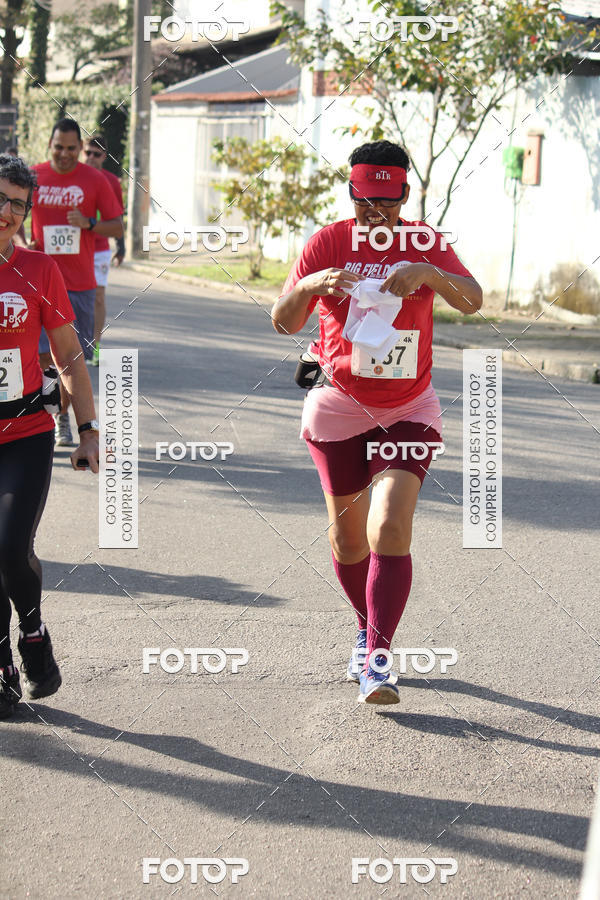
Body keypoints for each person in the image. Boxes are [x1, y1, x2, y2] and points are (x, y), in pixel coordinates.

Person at [271, 140, 483, 705]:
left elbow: (473, 300)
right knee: (347, 541)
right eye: (365, 202)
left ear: (405, 196)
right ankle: (366, 630)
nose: (375, 214)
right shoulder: (329, 241)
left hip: (409, 407)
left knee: (388, 526)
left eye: (387, 203)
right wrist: (310, 288)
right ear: (351, 193)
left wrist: (427, 272)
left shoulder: (426, 243)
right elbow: (281, 321)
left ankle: (379, 660)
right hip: (340, 404)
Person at [0, 154, 100, 719]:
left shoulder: (39, 270)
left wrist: (86, 430)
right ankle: (1, 665)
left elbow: (67, 356)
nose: (6, 211)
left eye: (17, 202)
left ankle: (32, 632)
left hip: (26, 431)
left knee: (10, 547)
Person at [30, 117, 123, 444]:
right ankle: (52, 417)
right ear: (50, 146)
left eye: (72, 148)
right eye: (59, 147)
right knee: (43, 357)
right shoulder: (34, 176)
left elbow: (117, 227)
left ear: (80, 148)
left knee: (70, 358)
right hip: (38, 282)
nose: (65, 154)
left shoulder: (94, 180)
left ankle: (64, 415)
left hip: (79, 284)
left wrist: (88, 222)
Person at [83, 134, 125, 366]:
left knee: (98, 297)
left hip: (99, 248)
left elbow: (118, 218)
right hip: (73, 249)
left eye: (96, 154)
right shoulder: (75, 177)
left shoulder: (111, 181)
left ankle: (95, 345)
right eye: (87, 153)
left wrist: (121, 247)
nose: (91, 158)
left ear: (104, 157)